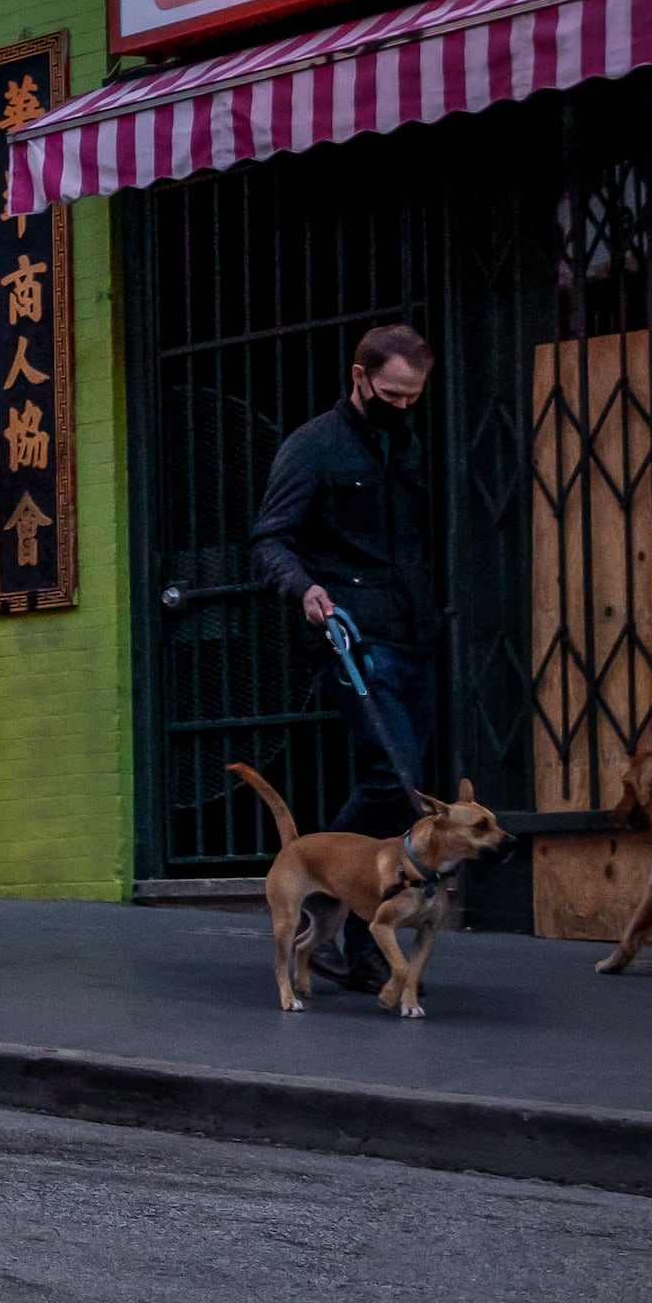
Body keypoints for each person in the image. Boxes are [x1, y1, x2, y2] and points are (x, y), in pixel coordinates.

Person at [250, 324, 440, 993]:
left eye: (414, 397)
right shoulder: (313, 447)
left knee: (411, 790)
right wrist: (305, 590)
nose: (403, 406)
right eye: (392, 393)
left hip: (414, 630)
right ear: (358, 376)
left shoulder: (408, 441)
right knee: (396, 780)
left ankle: (344, 936)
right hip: (352, 633)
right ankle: (329, 894)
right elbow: (269, 539)